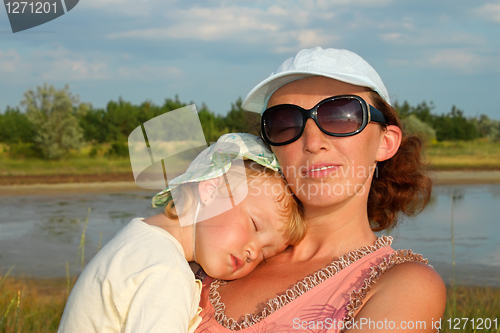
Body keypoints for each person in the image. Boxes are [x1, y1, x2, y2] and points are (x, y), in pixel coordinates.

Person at [195, 47, 446, 332]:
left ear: (385, 142)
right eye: (286, 122)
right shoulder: (220, 247)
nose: (312, 142)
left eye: (340, 116)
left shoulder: (404, 285)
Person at [57, 133, 305, 333]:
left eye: (265, 254)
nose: (253, 252)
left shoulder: (141, 240)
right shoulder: (166, 272)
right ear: (209, 189)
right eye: (255, 225)